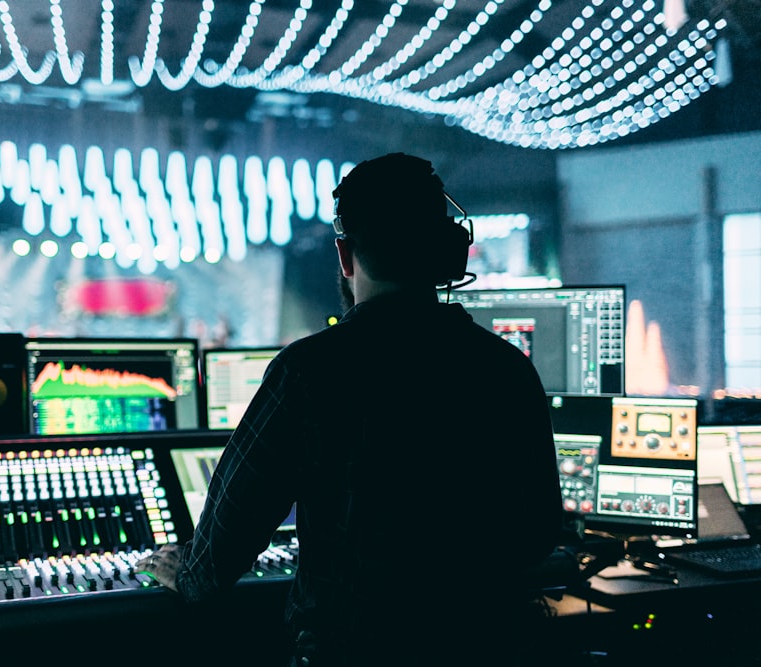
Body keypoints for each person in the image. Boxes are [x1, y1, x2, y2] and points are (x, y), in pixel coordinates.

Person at [136, 152, 563, 665]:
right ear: (450, 251)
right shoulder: (506, 370)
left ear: (344, 255)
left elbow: (218, 557)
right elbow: (539, 534)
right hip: (486, 647)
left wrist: (181, 571)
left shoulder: (311, 372)